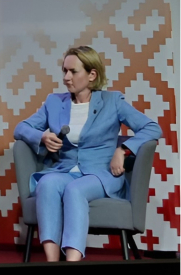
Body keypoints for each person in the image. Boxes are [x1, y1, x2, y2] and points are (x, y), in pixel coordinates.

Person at [14, 46, 161, 262]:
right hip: (66, 170)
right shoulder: (54, 102)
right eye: (64, 71)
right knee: (46, 184)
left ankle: (72, 262)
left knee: (75, 190)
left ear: (92, 75)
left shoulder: (112, 101)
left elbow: (152, 128)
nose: (66, 77)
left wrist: (123, 149)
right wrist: (42, 136)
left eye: (73, 71)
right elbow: (21, 128)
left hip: (102, 173)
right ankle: (52, 262)